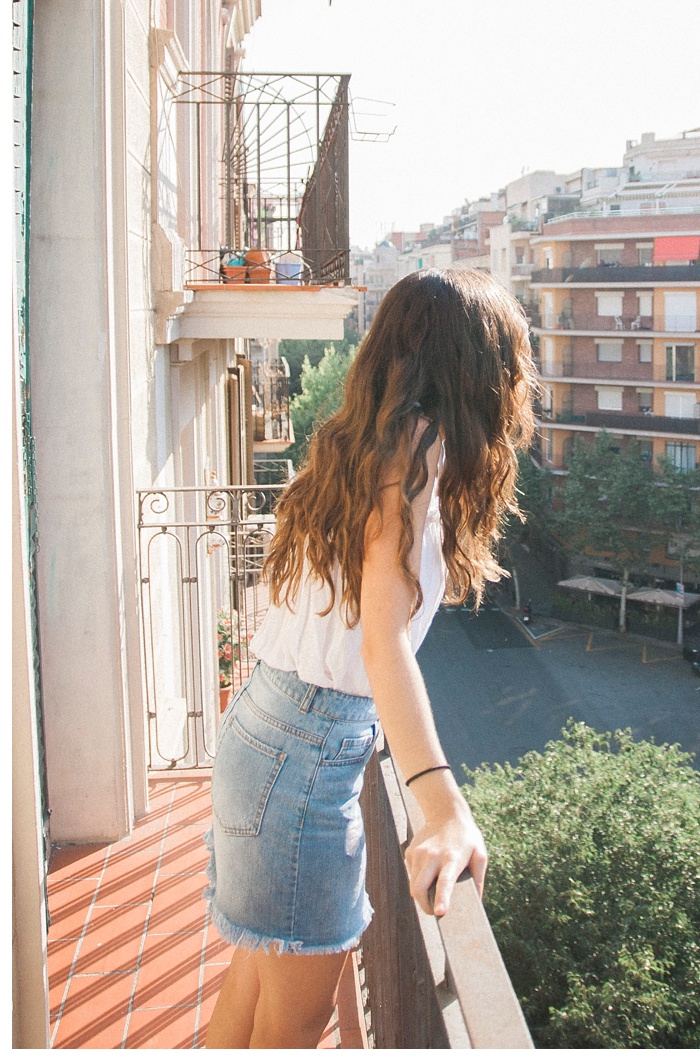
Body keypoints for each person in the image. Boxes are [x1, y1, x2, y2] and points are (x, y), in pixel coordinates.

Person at [205, 268, 539, 1048]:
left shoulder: (377, 442)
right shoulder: (412, 454)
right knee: (293, 1024)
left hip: (271, 735)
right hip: (300, 757)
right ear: (477, 366)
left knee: (255, 988)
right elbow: (381, 640)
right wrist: (443, 807)